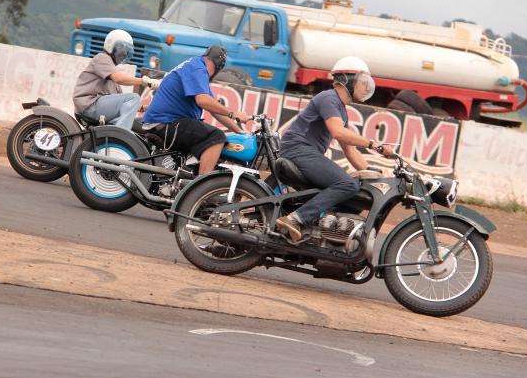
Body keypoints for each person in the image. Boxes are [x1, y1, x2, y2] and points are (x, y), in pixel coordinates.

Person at [276, 56, 394, 242]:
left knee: (358, 190)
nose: (366, 88)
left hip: (307, 153)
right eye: (363, 82)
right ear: (349, 80)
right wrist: (374, 145)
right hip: (298, 149)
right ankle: (296, 219)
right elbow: (337, 132)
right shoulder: (328, 98)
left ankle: (324, 229)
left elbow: (350, 150)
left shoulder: (341, 110)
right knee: (347, 184)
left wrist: (373, 174)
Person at [142, 45, 251, 175]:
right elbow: (203, 101)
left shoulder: (195, 66)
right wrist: (233, 114)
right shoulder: (198, 68)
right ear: (219, 66)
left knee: (206, 133)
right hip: (166, 122)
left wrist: (241, 132)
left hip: (165, 121)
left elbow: (214, 109)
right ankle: (202, 187)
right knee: (216, 137)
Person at [73, 29, 150, 130]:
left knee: (131, 111)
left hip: (93, 107)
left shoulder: (111, 73)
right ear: (111, 45)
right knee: (133, 98)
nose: (123, 54)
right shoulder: (102, 58)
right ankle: (119, 136)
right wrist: (143, 81)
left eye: (126, 52)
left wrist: (143, 108)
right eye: (122, 50)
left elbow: (123, 103)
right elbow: (118, 78)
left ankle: (113, 136)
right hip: (89, 104)